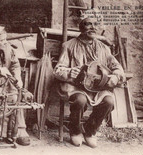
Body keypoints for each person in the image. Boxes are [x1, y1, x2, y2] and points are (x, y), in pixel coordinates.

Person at [53, 14, 125, 148]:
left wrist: (115, 76)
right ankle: (75, 130)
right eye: (88, 24)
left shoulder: (104, 48)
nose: (93, 27)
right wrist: (69, 72)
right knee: (80, 100)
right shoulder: (69, 46)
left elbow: (117, 67)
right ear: (81, 26)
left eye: (96, 24)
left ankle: (90, 130)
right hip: (75, 86)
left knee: (109, 102)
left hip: (97, 88)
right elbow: (58, 69)